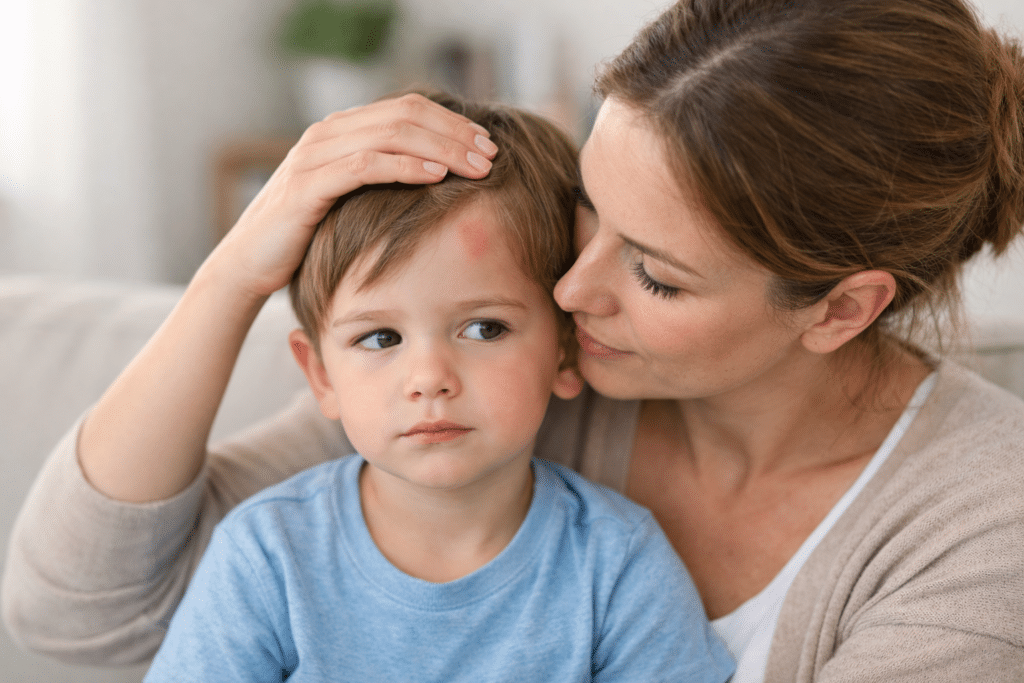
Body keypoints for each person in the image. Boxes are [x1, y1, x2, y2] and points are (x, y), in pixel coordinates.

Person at [4, 0, 1023, 680]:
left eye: (656, 272)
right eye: (590, 211)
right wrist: (234, 272)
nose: (573, 287)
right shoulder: (501, 383)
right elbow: (78, 616)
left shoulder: (984, 524)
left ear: (840, 308)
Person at [140, 93, 734, 682]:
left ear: (563, 348)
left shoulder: (618, 563)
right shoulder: (267, 557)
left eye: (484, 328)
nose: (430, 379)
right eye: (379, 339)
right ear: (320, 374)